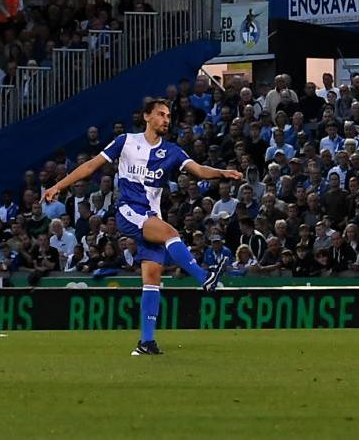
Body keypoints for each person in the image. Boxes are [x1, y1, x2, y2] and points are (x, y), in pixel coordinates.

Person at [40, 97, 241, 355]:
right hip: (129, 210)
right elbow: (91, 166)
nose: (166, 120)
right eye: (160, 114)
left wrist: (223, 172)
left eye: (168, 116)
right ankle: (204, 278)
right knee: (171, 232)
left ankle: (146, 342)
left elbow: (199, 170)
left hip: (150, 216)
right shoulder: (126, 142)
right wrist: (59, 186)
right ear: (147, 116)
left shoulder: (172, 151)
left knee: (152, 279)